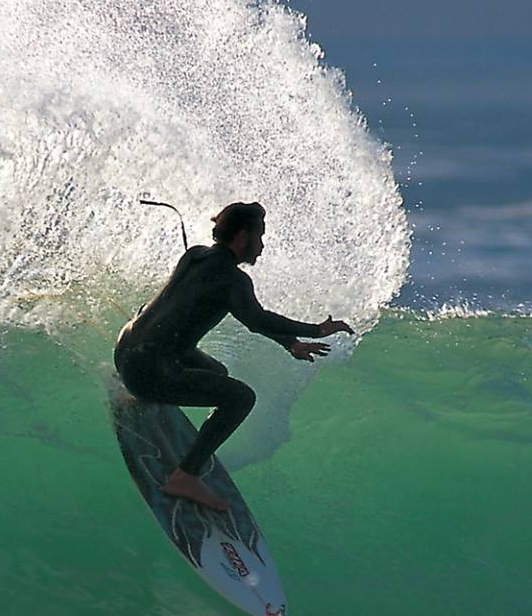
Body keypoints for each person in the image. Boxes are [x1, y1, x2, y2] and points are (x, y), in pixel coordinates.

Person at [115, 201, 354, 510]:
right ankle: (185, 477)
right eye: (260, 236)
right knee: (241, 398)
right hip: (148, 373)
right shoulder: (234, 280)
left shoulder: (194, 256)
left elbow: (247, 315)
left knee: (217, 374)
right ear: (242, 236)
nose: (262, 246)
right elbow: (256, 319)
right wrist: (316, 330)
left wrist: (290, 344)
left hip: (126, 351)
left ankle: (147, 398)